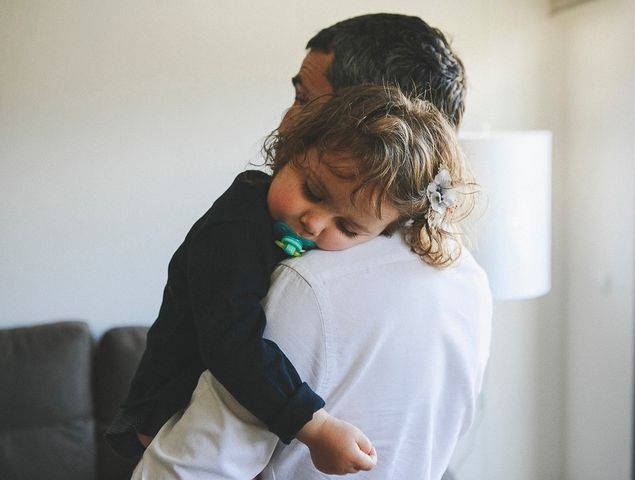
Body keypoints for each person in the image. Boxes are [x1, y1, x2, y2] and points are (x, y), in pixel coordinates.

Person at [133, 12, 491, 479]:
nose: (287, 119)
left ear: (361, 119)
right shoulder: (469, 281)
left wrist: (314, 425)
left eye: (305, 99)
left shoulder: (309, 285)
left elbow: (185, 471)